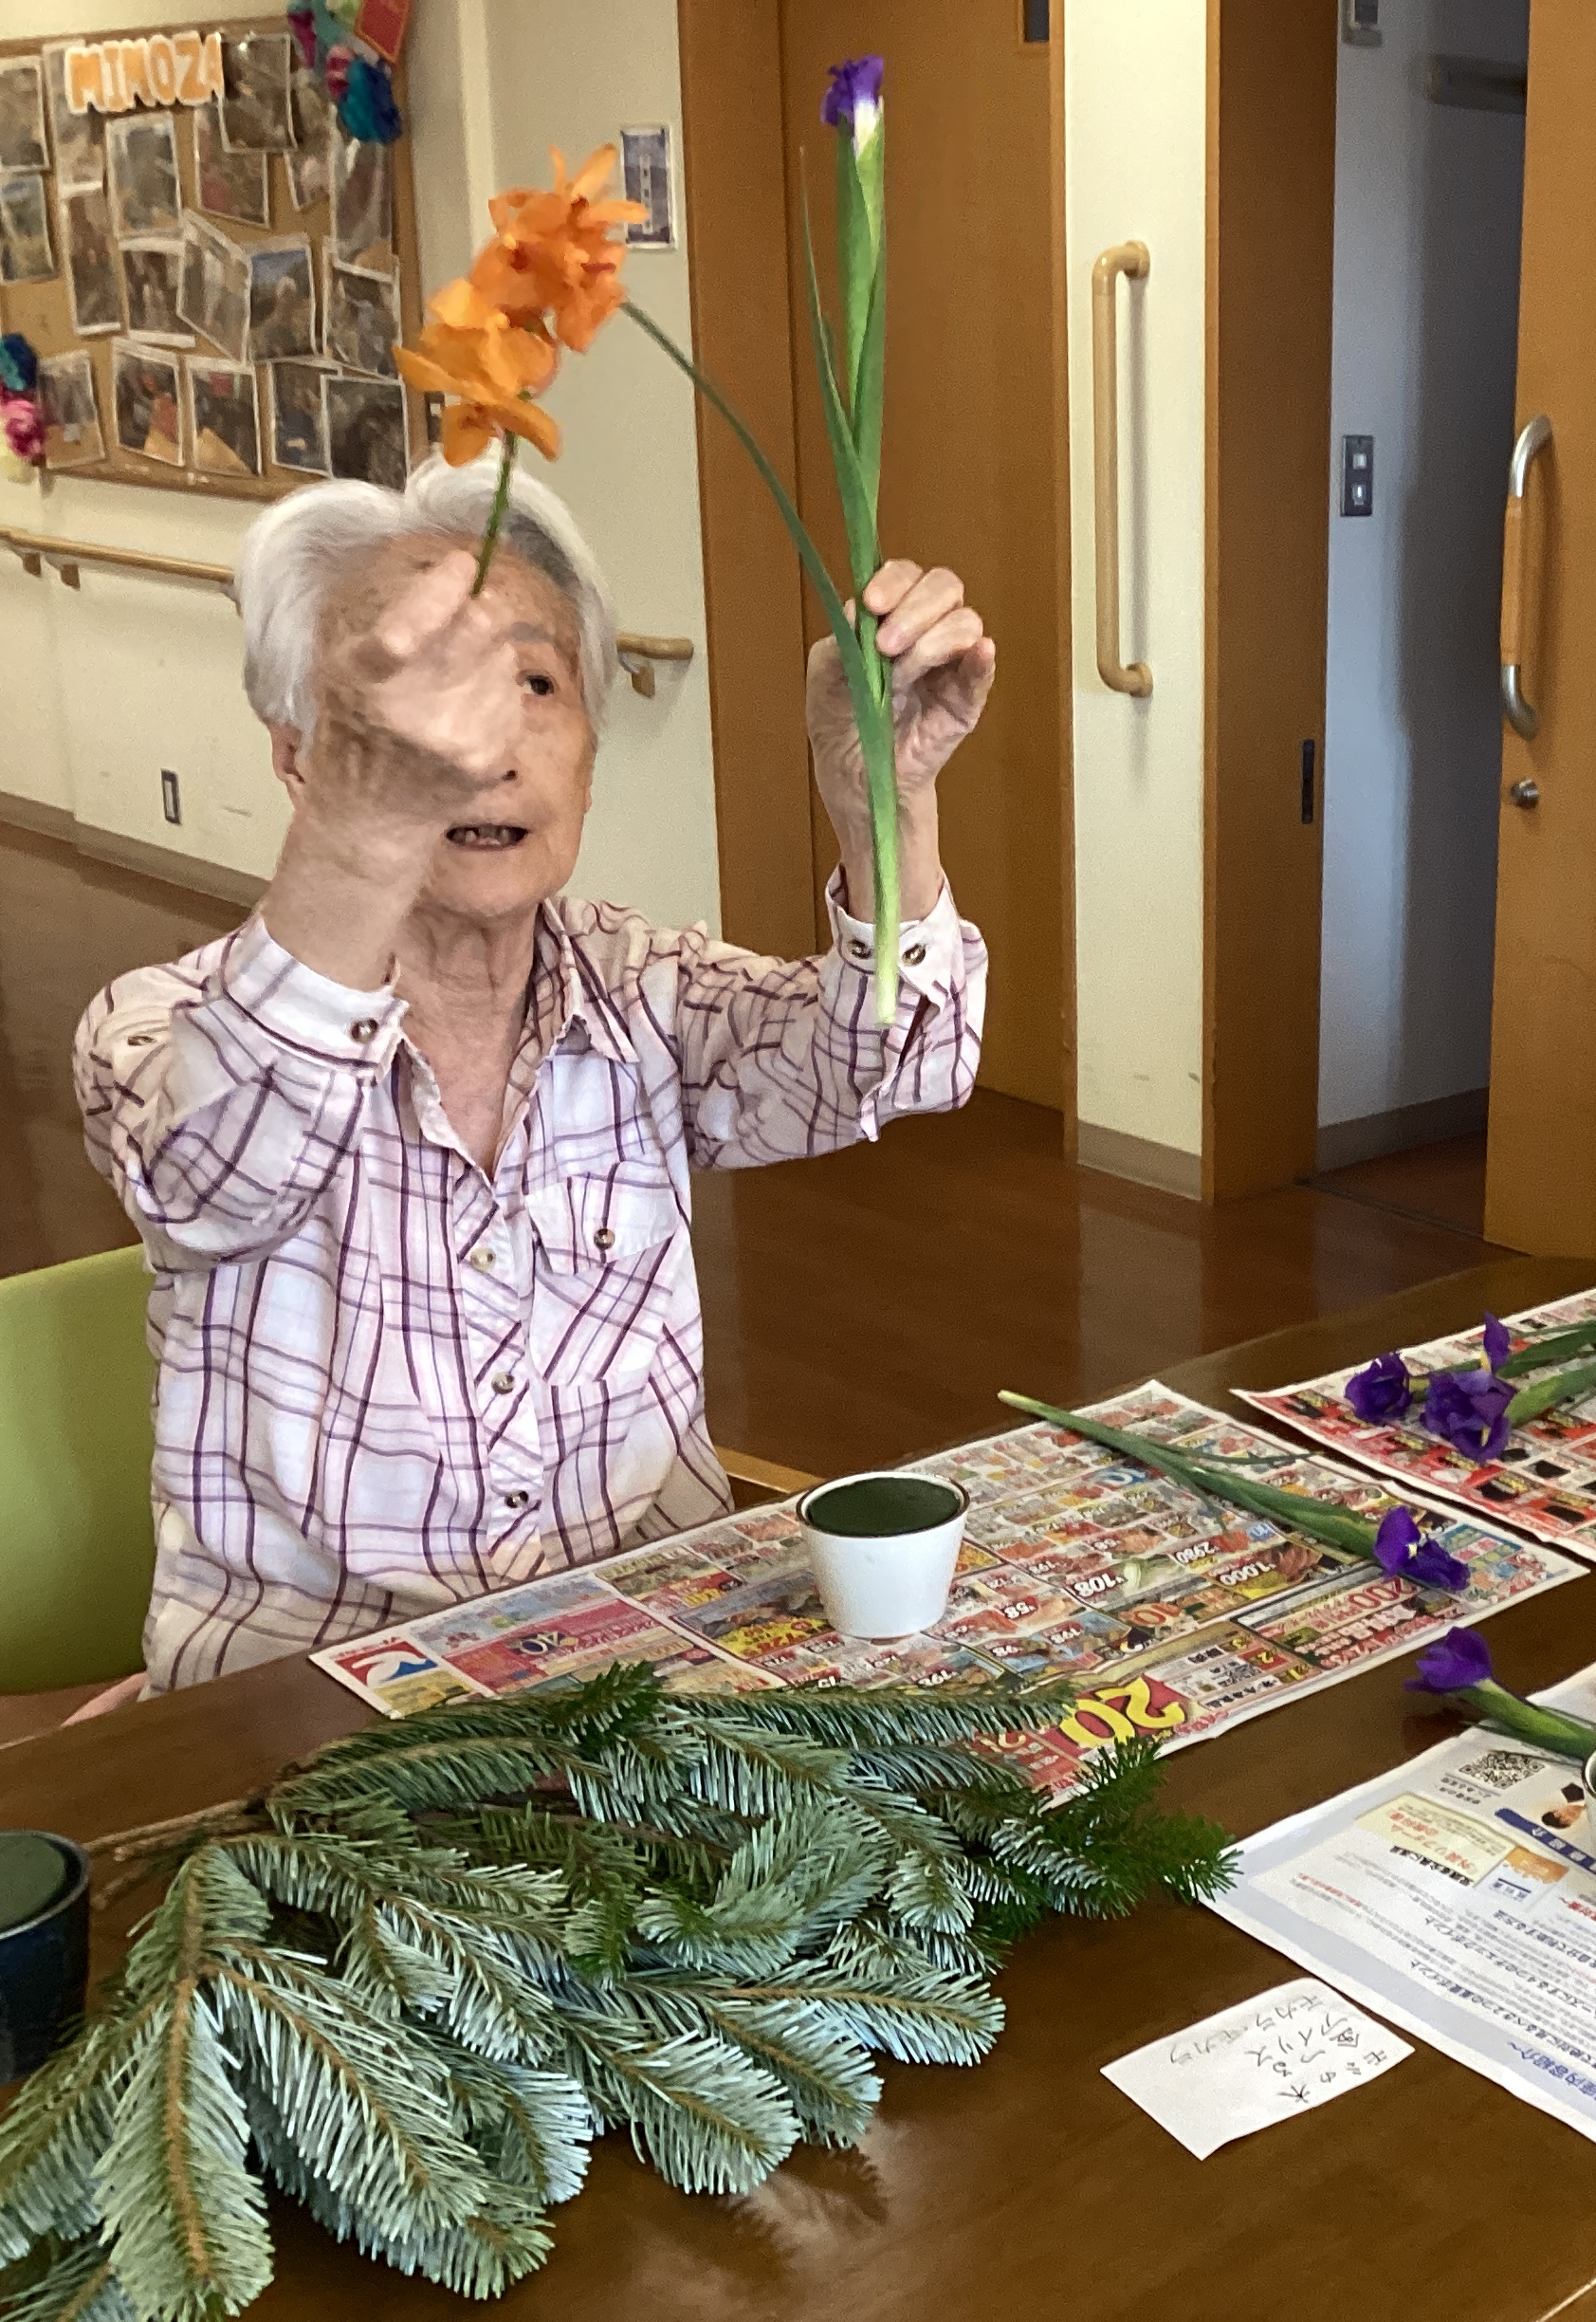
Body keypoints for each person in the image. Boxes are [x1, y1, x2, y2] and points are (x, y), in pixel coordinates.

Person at [75, 460, 994, 1690]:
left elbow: (904, 1055)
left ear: (591, 752)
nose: (484, 746)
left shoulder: (643, 990)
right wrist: (365, 836)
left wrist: (885, 791)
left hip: (643, 1676)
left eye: (534, 683)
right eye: (409, 697)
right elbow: (218, 1172)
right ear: (300, 756)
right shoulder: (159, 1025)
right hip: (315, 1717)